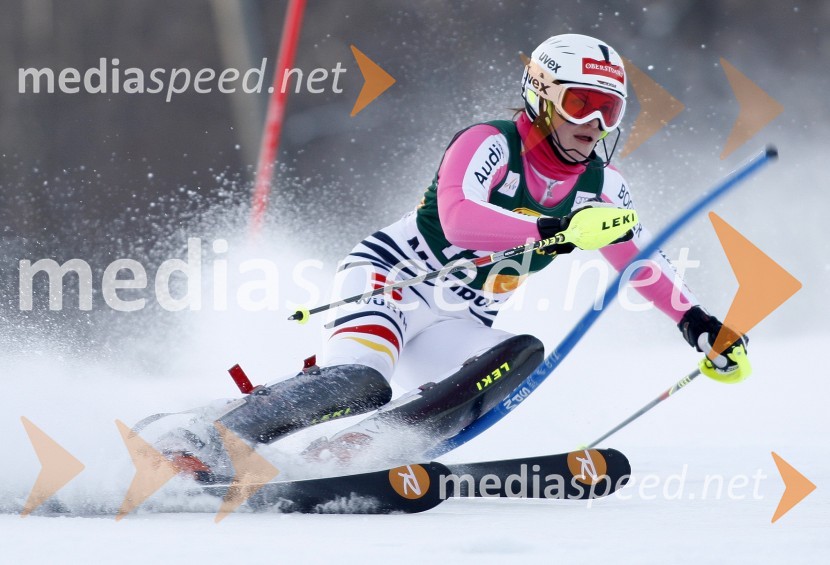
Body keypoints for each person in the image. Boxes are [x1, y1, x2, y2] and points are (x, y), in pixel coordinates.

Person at [152, 34, 749, 479]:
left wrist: (697, 323)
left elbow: (638, 260)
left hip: (460, 315)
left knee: (516, 356)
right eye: (580, 103)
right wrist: (556, 228)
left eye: (610, 110)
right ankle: (205, 437)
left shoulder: (604, 187)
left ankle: (355, 451)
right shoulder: (488, 142)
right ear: (542, 96)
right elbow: (461, 217)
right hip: (390, 281)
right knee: (361, 381)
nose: (594, 123)